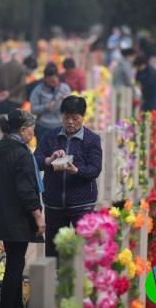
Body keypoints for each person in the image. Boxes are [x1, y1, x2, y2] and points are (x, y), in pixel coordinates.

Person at [0, 109, 45, 308]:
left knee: (14, 260)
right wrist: (38, 217)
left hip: (2, 215)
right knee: (15, 264)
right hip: (17, 218)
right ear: (22, 130)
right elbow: (26, 191)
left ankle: (15, 304)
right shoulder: (20, 154)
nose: (33, 134)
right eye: (31, 130)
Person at [34, 96, 102, 258]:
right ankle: (53, 280)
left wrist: (76, 170)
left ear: (82, 117)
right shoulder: (50, 136)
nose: (70, 122)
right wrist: (49, 160)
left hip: (82, 202)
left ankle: (80, 281)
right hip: (54, 202)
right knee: (54, 249)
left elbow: (95, 169)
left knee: (84, 248)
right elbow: (35, 160)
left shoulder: (92, 139)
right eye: (66, 118)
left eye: (75, 118)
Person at [29, 63, 71, 143]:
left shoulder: (65, 88)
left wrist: (67, 101)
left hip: (61, 126)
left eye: (54, 81)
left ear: (58, 77)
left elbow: (71, 109)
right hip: (43, 127)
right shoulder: (38, 90)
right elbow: (33, 109)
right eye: (50, 81)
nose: (53, 84)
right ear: (45, 79)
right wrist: (46, 107)